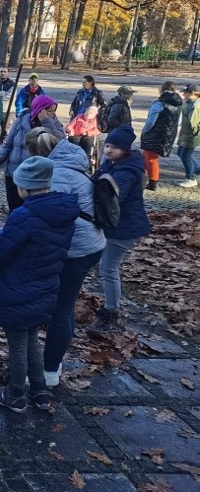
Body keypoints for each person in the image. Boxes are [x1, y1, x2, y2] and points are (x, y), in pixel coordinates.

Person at [0, 157, 79, 413]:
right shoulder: (64, 213)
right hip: (45, 285)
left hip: (18, 288)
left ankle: (16, 394)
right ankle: (39, 391)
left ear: (25, 187)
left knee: (18, 343)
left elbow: (0, 256)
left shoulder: (24, 215)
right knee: (31, 339)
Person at [24, 129, 106, 387]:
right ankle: (55, 361)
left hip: (76, 249)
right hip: (92, 243)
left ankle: (49, 371)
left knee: (60, 308)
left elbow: (48, 215)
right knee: (65, 304)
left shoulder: (56, 174)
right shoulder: (73, 160)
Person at [89, 125, 150, 333]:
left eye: (113, 147)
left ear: (125, 150)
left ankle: (111, 312)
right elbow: (96, 179)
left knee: (108, 268)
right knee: (104, 265)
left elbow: (114, 198)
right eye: (107, 145)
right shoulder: (112, 163)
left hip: (124, 227)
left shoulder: (127, 171)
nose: (107, 150)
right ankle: (110, 307)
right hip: (115, 224)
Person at [0, 94, 65, 211]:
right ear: (40, 110)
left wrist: (46, 120)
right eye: (50, 111)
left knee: (31, 210)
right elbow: (8, 142)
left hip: (35, 176)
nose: (52, 114)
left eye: (53, 111)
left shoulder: (54, 123)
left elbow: (61, 142)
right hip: (14, 172)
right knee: (14, 208)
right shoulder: (22, 119)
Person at [140, 81, 181, 191]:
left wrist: (145, 131)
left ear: (162, 90)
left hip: (155, 133)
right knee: (146, 155)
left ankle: (153, 181)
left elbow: (151, 121)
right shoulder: (178, 104)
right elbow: (178, 121)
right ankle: (143, 176)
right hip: (168, 134)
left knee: (151, 157)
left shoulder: (159, 103)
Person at [176, 83, 200, 188]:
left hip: (192, 135)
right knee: (180, 153)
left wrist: (194, 134)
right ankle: (198, 169)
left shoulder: (196, 105)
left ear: (193, 93)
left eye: (185, 94)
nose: (184, 95)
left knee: (185, 155)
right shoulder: (189, 102)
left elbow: (194, 123)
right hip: (185, 133)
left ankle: (191, 178)